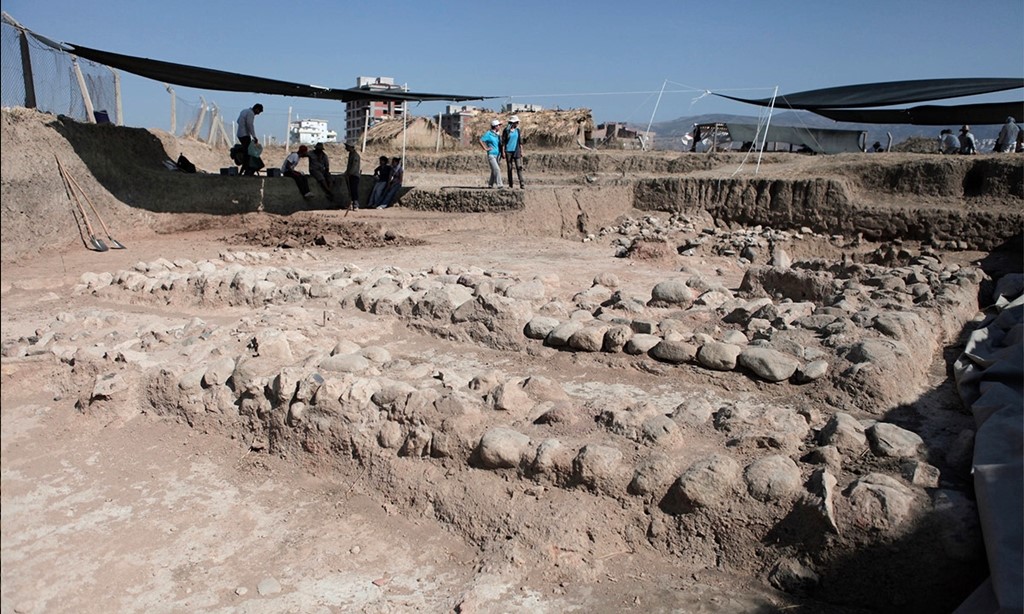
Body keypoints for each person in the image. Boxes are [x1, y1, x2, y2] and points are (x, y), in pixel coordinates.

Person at [236, 103, 263, 176]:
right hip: (245, 135)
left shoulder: (244, 111)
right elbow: (250, 125)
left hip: (239, 134)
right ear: (257, 109)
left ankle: (243, 171)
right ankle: (245, 172)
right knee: (248, 155)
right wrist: (254, 136)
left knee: (246, 151)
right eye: (259, 112)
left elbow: (238, 121)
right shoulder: (251, 113)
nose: (258, 114)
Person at [501, 115, 525, 189]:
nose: (517, 124)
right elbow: (503, 142)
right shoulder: (506, 131)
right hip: (508, 151)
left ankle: (522, 183)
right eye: (516, 122)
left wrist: (521, 151)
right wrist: (503, 152)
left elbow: (520, 141)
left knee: (519, 167)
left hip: (516, 151)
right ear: (513, 123)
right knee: (510, 168)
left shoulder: (518, 130)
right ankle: (510, 184)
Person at [480, 119, 504, 188]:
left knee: (494, 170)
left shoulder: (497, 134)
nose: (499, 127)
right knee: (497, 169)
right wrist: (485, 148)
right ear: (495, 126)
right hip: (491, 155)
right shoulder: (488, 134)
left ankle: (490, 184)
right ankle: (500, 184)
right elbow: (481, 140)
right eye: (498, 126)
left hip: (498, 155)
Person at [343, 141, 361, 210]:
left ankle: (356, 205)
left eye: (347, 146)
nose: (346, 148)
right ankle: (351, 204)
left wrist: (349, 173)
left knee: (354, 190)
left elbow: (354, 167)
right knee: (350, 190)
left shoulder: (355, 156)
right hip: (350, 175)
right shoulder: (351, 154)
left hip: (354, 175)